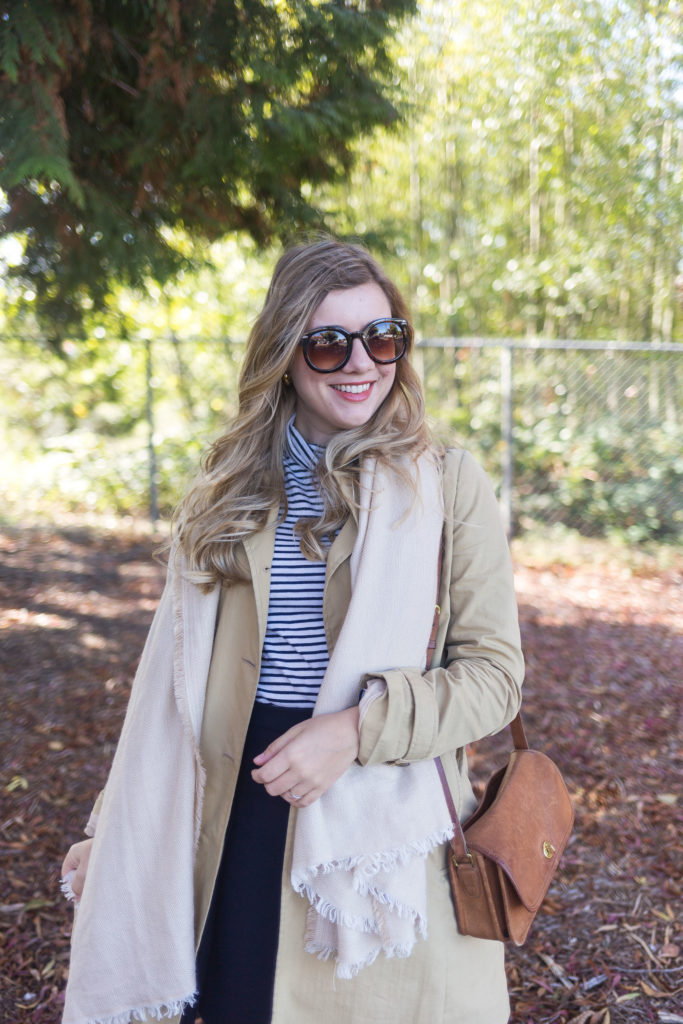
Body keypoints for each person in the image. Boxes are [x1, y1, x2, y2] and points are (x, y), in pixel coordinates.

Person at [60, 239, 524, 1024]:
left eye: (382, 338)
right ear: (284, 352)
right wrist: (113, 827)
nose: (359, 364)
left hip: (384, 816)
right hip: (231, 807)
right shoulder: (229, 486)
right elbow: (167, 687)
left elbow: (493, 679)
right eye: (327, 342)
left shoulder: (446, 482)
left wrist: (354, 729)